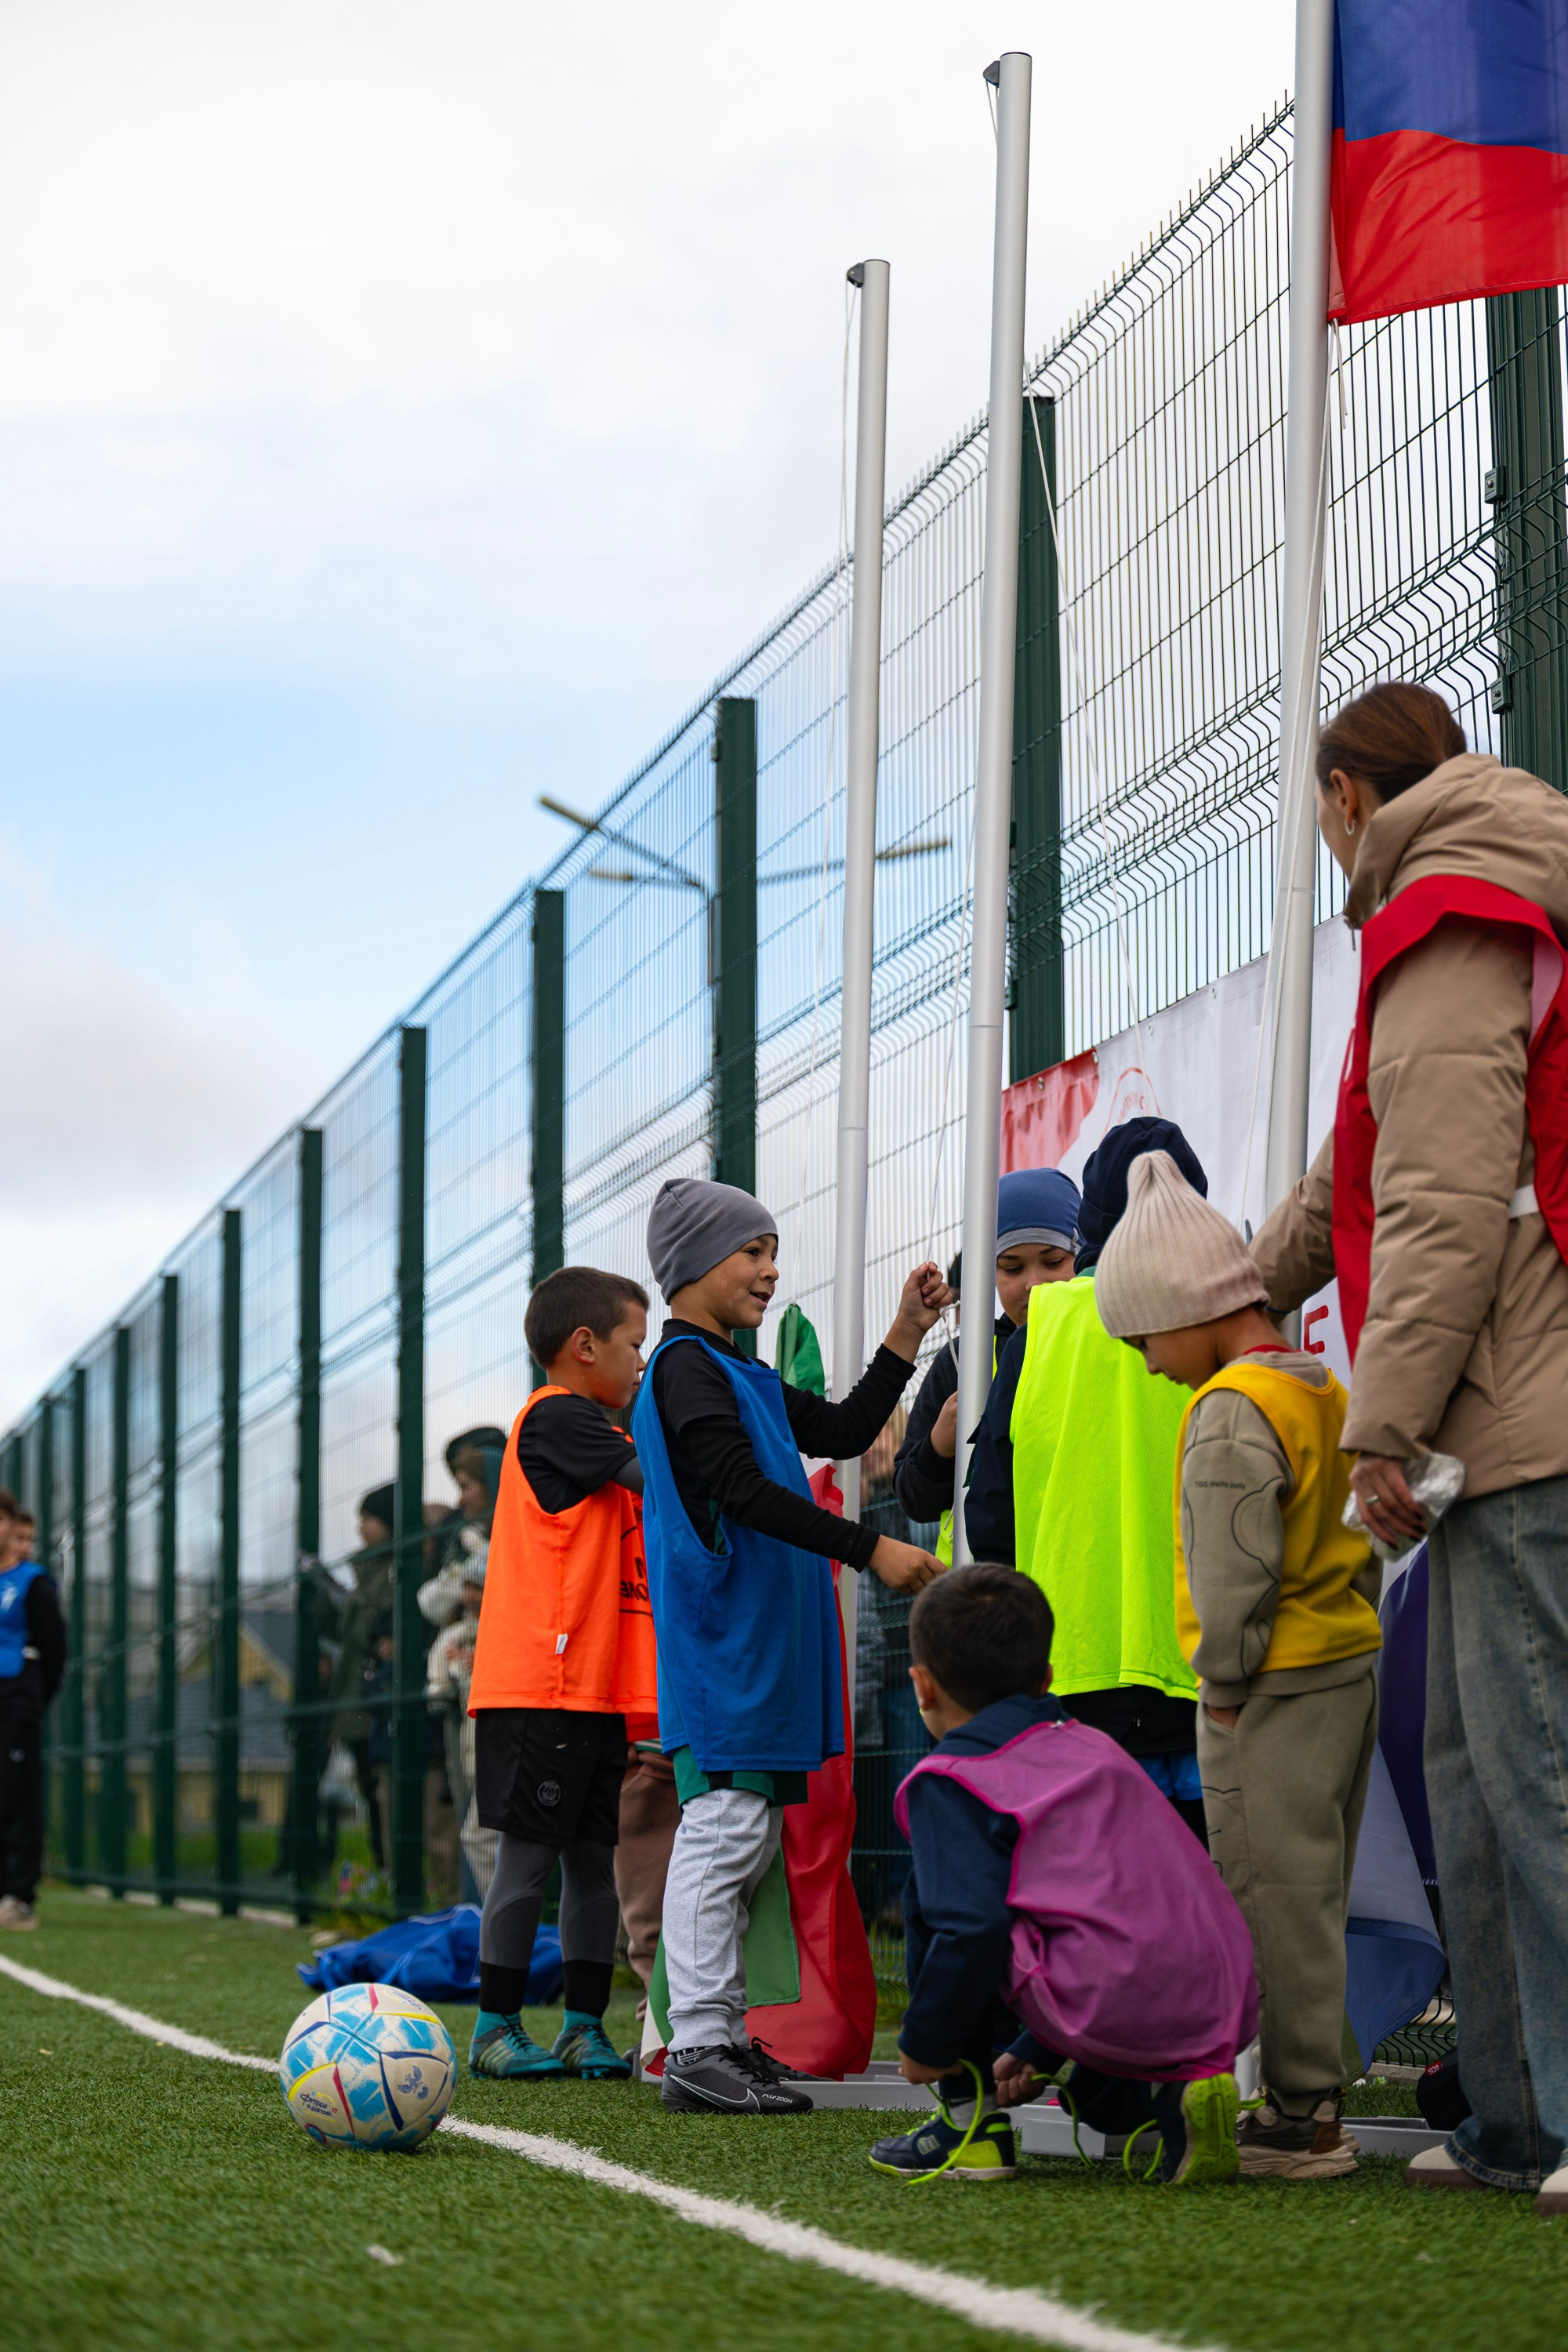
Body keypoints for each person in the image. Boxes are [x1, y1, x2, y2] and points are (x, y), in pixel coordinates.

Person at [1249, 681, 1568, 2214]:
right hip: (1500, 1419)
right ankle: (1513, 2118)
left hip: (1524, 1416)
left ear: (1349, 793)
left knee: (1540, 1777)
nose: (1319, 840)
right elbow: (1351, 1183)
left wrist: (1381, 1428)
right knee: (1473, 1781)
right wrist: (1208, 1289)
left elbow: (1443, 1210)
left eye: (1316, 808)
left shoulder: (1450, 911)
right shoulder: (1461, 911)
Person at [633, 1174, 947, 2116]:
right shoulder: (684, 1367)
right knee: (722, 1831)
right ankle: (694, 2043)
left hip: (763, 1654)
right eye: (751, 1252)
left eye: (772, 1250)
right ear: (691, 1266)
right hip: (726, 1653)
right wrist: (868, 1548)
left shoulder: (740, 1371)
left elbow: (848, 1429)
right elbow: (736, 1486)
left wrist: (903, 1336)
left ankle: (720, 2036)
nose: (771, 1270)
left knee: (747, 1833)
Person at [1095, 1149, 1382, 2179]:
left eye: (1142, 1335)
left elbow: (1232, 1576)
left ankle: (1302, 2119)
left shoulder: (1226, 1407)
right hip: (1345, 1664)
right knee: (1317, 1894)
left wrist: (1222, 1683)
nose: (1142, 1359)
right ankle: (1312, 2099)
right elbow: (1366, 1536)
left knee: (1271, 1896)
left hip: (1269, 1690)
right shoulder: (1318, 1386)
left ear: (1188, 1306)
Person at [869, 1564, 1254, 2183]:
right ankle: (1173, 2101)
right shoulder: (1099, 1750)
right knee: (1084, 1906)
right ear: (1047, 1677)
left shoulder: (951, 1780)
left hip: (1108, 2002)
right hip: (1223, 2001)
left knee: (936, 1895)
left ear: (922, 1686)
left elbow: (969, 1927)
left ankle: (970, 2126)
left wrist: (928, 2044)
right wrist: (1033, 2050)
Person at [964, 1119, 1208, 1837]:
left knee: (1104, 1892)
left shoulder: (1044, 1326)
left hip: (1073, 1666)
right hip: (1200, 1666)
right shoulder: (1218, 1311)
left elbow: (990, 1516)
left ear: (1091, 1223)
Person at [467, 1265, 655, 2083]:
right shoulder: (557, 1420)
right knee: (528, 1859)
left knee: (591, 1861)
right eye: (635, 1347)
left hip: (590, 1689)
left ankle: (583, 2026)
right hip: (536, 1688)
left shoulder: (592, 1431)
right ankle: (493, 2026)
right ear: (584, 1348)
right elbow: (663, 1480)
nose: (642, 1365)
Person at [893, 1168, 1080, 1556]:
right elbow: (912, 1499)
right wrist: (938, 1448)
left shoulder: (1107, 1343)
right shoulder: (962, 1361)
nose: (1035, 1283)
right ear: (987, 1272)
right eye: (1012, 1268)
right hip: (980, 1593)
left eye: (1053, 1261)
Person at [0, 1499, 66, 1931]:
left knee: (17, 1795)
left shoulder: (33, 1584)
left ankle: (19, 1897)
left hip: (16, 1702)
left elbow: (55, 1649)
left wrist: (32, 1700)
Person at [326, 1487, 396, 1875]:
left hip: (374, 1702)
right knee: (373, 1797)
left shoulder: (389, 1572)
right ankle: (386, 1872)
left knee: (380, 1793)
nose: (360, 1528)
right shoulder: (368, 1572)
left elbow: (366, 1630)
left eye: (368, 1519)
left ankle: (394, 1874)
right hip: (356, 1700)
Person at [419, 1433, 505, 1629]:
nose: (460, 1500)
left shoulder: (514, 1543)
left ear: (492, 1485)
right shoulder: (464, 1541)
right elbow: (431, 1604)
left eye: (465, 1487)